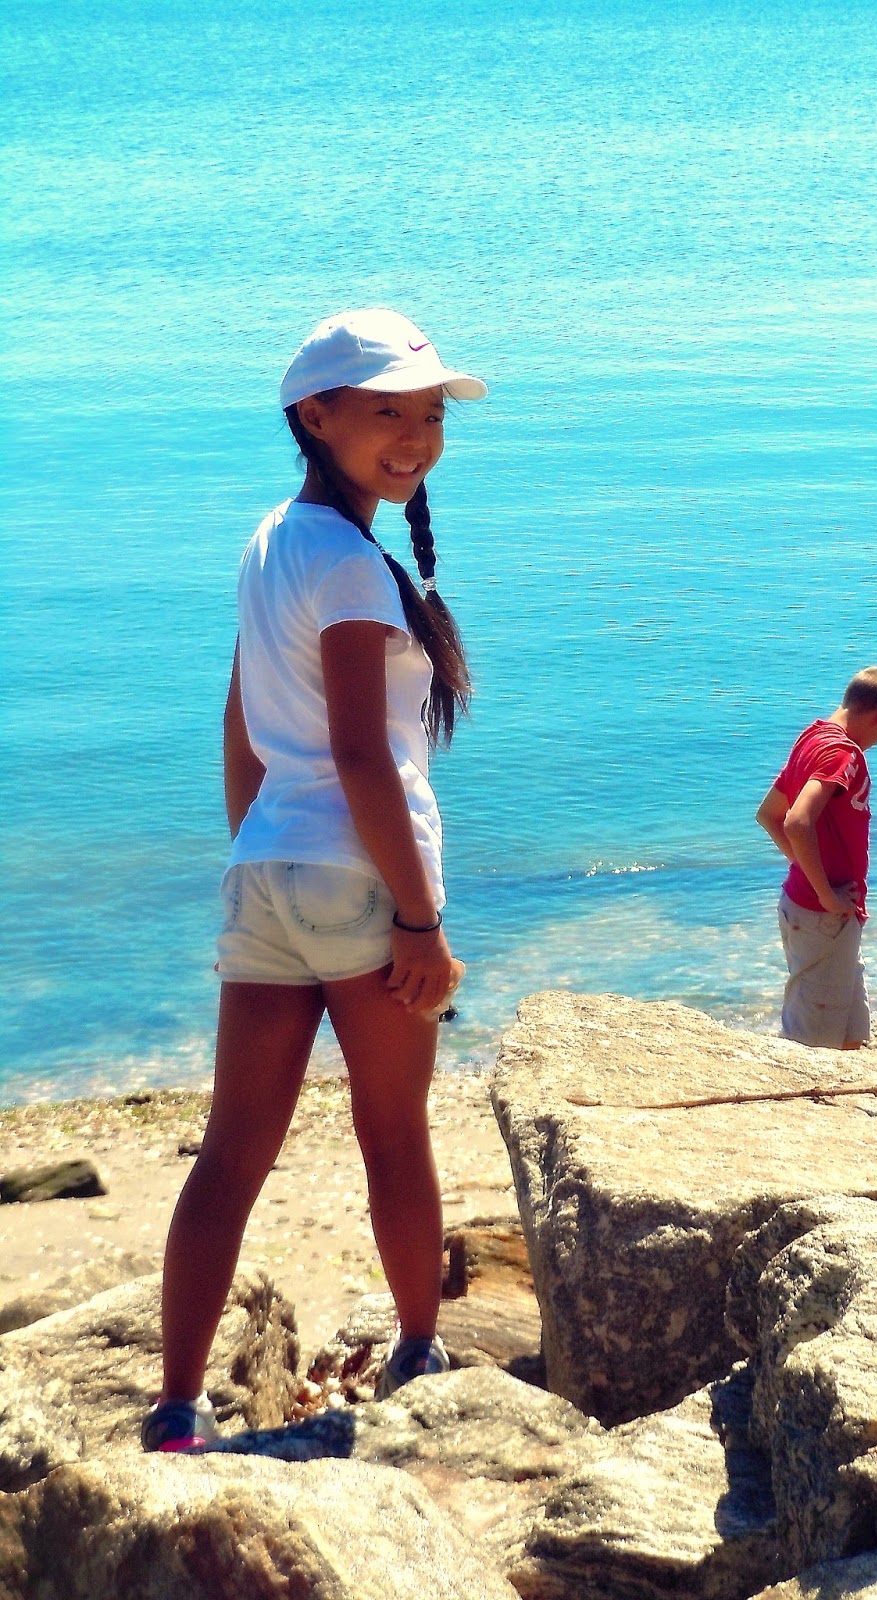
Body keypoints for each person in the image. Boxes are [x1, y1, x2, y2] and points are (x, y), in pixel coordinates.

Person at [140, 309, 487, 1452]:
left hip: (268, 871)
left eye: (429, 413)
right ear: (315, 415)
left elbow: (240, 721)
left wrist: (262, 852)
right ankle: (420, 1349)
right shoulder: (348, 563)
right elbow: (361, 755)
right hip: (361, 878)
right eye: (387, 410)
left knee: (230, 1153)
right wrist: (419, 919)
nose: (416, 435)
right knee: (394, 1133)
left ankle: (177, 1409)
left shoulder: (270, 542)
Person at [756, 667, 877, 1050]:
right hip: (822, 914)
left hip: (824, 912)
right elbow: (795, 821)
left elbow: (768, 814)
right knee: (811, 1043)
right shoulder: (843, 754)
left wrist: (808, 871)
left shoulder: (814, 737)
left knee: (850, 1035)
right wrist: (825, 893)